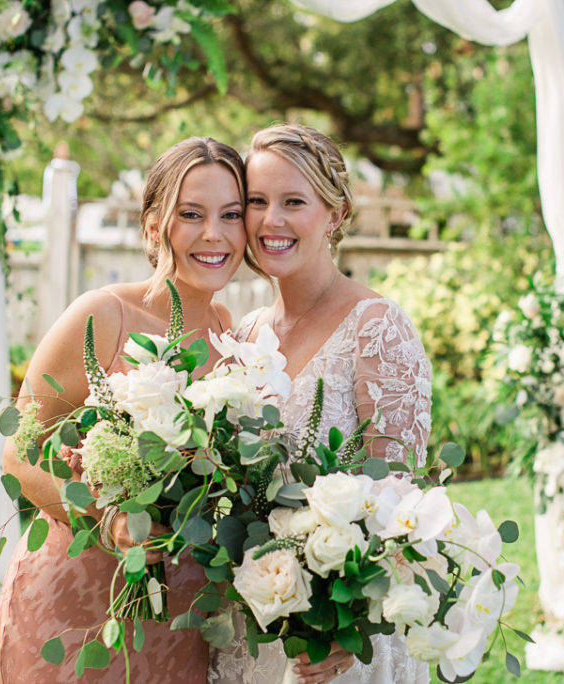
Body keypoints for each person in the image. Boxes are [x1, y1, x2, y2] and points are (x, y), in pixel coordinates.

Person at [0, 137, 255, 683]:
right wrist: (110, 517)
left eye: (231, 214)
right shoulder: (102, 316)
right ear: (153, 225)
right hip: (74, 604)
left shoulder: (230, 333)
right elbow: (17, 458)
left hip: (178, 617)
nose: (215, 234)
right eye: (192, 214)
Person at [208, 124, 433, 684]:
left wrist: (344, 624)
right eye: (256, 202)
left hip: (337, 636)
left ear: (335, 214)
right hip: (254, 619)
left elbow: (399, 500)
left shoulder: (377, 327)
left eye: (293, 202)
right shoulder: (242, 334)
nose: (269, 221)